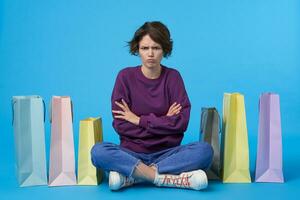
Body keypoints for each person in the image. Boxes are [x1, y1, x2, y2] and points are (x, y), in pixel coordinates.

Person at [91, 21, 213, 191]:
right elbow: (122, 126)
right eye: (145, 48)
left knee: (204, 151)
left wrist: (139, 120)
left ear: (164, 49)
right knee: (98, 151)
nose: (150, 54)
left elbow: (181, 123)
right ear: (137, 49)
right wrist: (164, 121)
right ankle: (165, 178)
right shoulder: (125, 77)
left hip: (168, 154)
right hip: (131, 153)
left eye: (156, 48)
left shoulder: (173, 78)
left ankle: (134, 177)